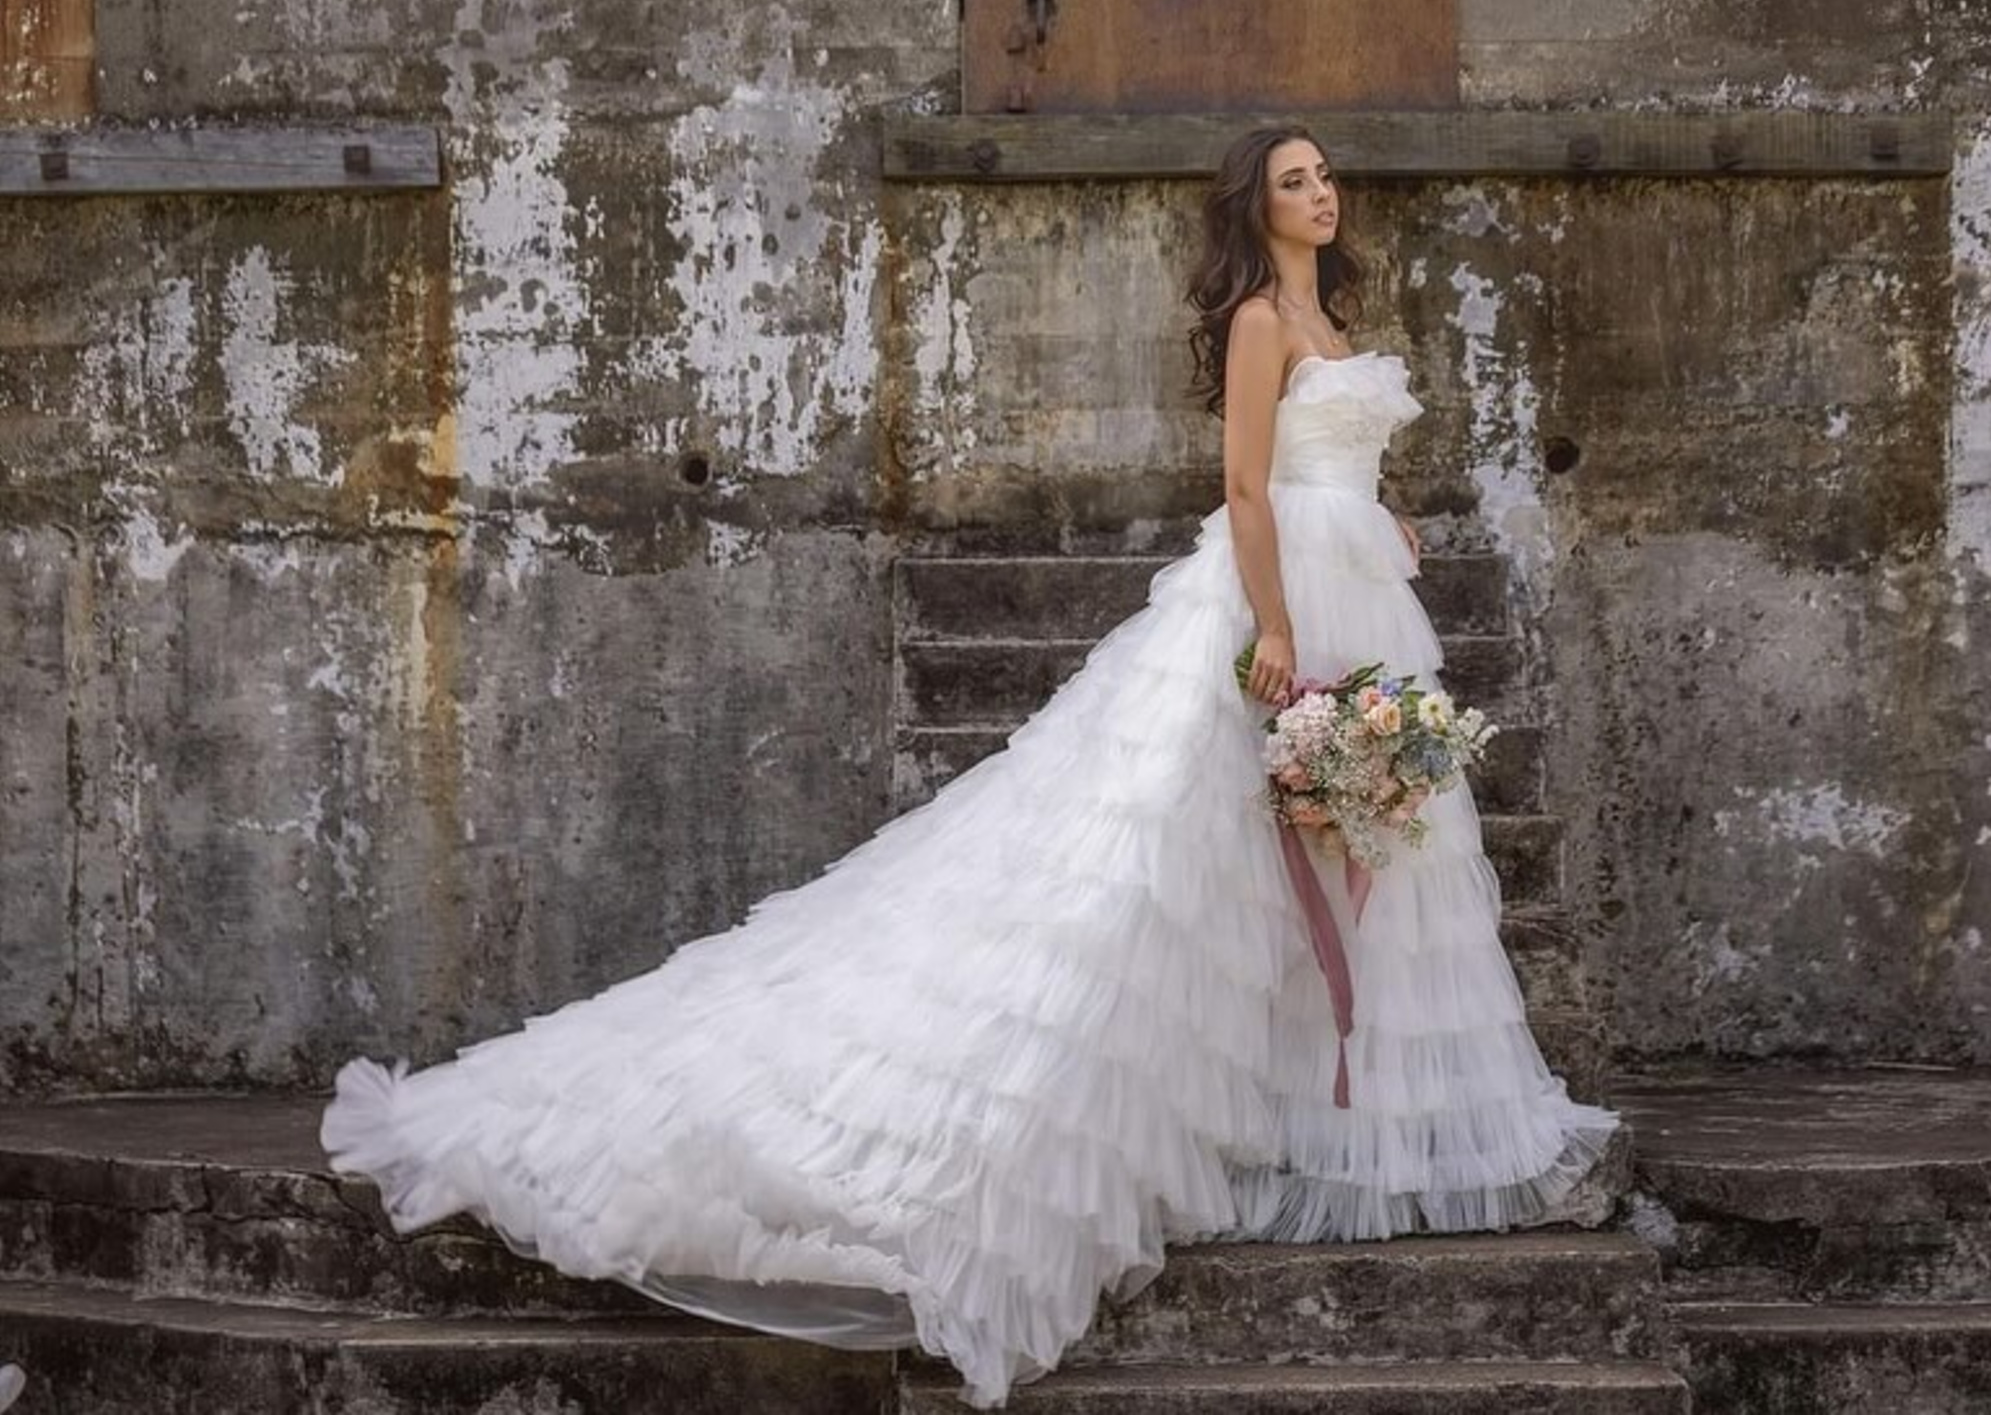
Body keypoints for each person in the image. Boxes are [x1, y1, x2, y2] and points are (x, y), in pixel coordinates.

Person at [321, 123, 1621, 1409]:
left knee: (1360, 862)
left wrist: (1373, 506)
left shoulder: (1327, 317)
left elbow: (1318, 459)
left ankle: (1335, 1125)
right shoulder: (1257, 326)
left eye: (1326, 175)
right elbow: (1242, 485)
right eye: (1296, 181)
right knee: (1182, 871)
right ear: (1255, 207)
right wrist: (1275, 626)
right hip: (1283, 598)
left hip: (1364, 593)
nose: (1322, 193)